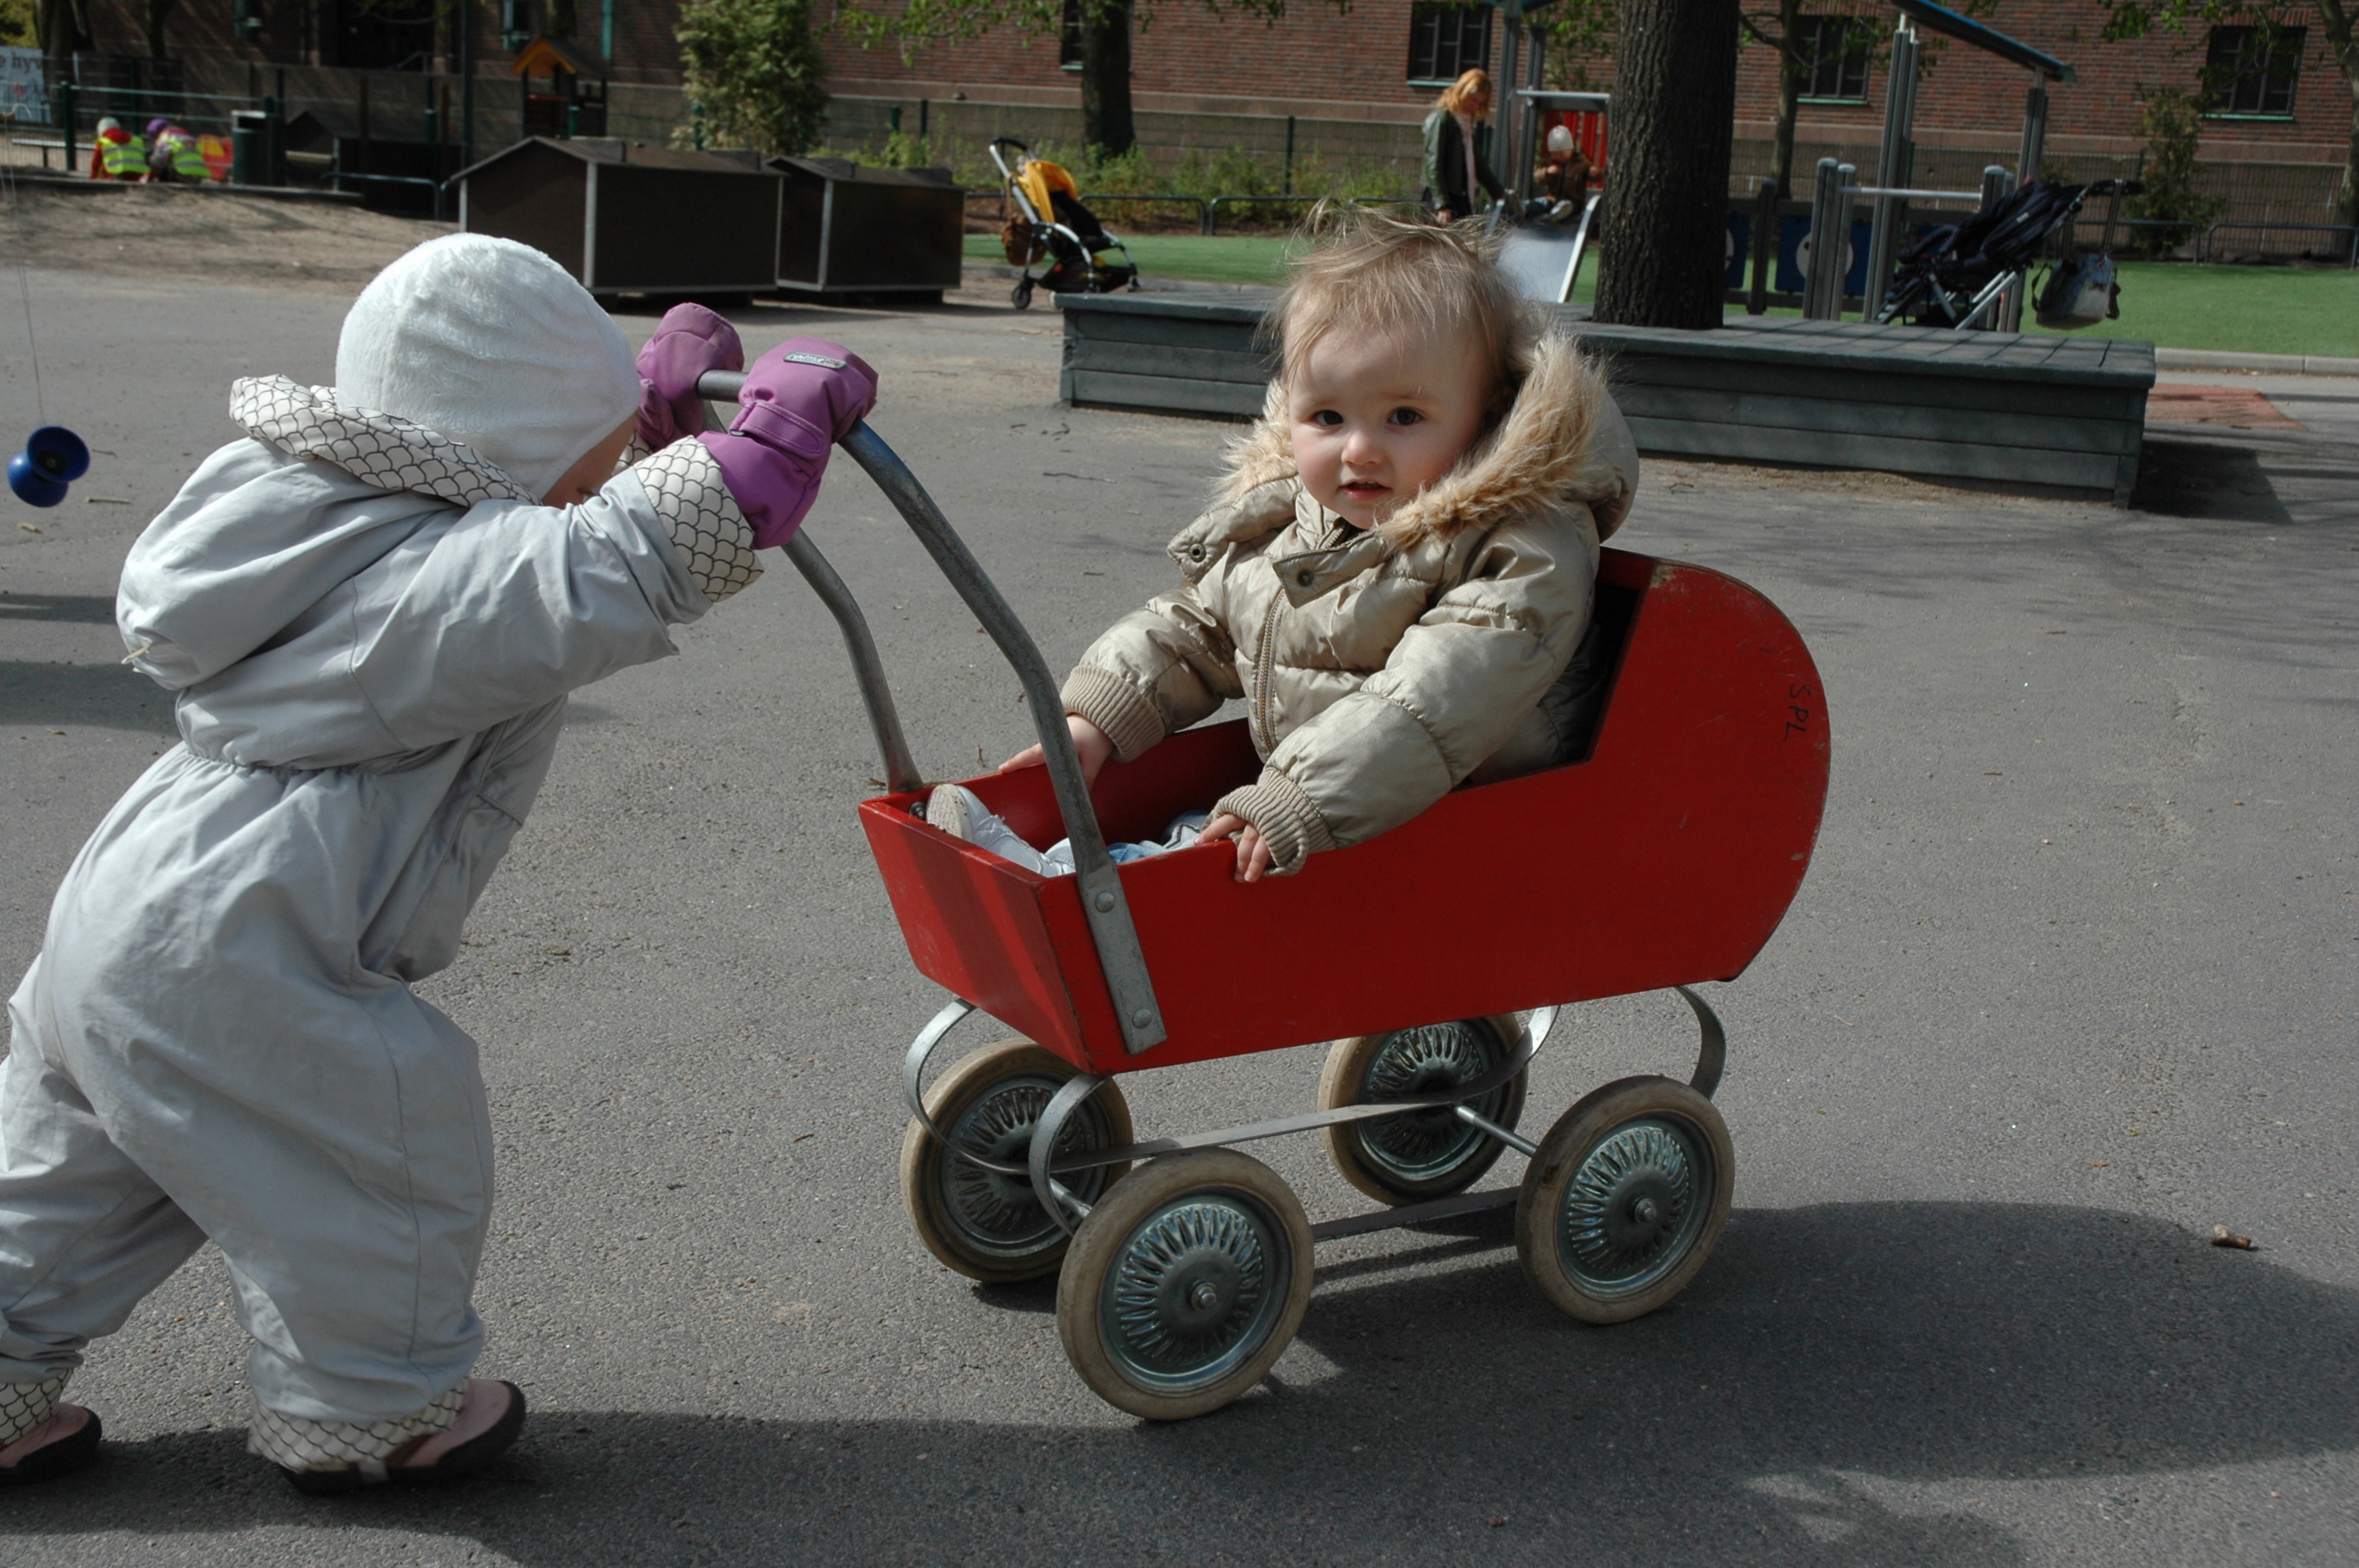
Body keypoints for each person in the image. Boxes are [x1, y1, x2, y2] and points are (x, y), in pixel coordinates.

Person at [0, 234, 876, 1490]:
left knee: (81, 1171)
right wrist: (745, 472)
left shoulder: (334, 525)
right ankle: (370, 1411)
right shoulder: (432, 599)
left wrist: (646, 432)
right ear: (503, 450)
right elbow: (574, 570)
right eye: (587, 462)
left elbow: (534, 520)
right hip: (240, 950)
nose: (592, 487)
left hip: (131, 908)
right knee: (372, 1157)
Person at [926, 208, 1636, 884]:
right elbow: (1201, 624)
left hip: (1462, 825)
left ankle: (1079, 875)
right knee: (1209, 829)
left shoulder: (1518, 544)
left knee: (1207, 854)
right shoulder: (1302, 525)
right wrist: (1100, 713)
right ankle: (1087, 860)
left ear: (1487, 414)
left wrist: (1298, 794)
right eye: (1327, 416)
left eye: (1404, 416)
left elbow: (1432, 703)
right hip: (1342, 801)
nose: (1359, 450)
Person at [1422, 68, 1506, 226]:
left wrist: (1501, 194)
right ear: (1462, 91)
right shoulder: (1442, 119)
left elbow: (1479, 166)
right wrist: (1442, 205)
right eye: (1473, 99)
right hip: (1442, 200)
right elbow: (1433, 165)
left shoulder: (1465, 126)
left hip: (1461, 198)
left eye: (1480, 102)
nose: (1474, 105)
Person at [1532, 123, 1594, 225]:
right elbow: (1538, 176)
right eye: (1554, 154)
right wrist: (1547, 172)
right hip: (1552, 198)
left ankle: (1558, 213)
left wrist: (1593, 173)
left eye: (1562, 154)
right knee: (1543, 202)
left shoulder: (1580, 163)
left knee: (1568, 206)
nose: (1558, 157)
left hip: (1574, 200)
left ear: (1571, 150)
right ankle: (1526, 207)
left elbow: (1592, 174)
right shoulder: (1549, 162)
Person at [144, 118, 211, 183]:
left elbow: (157, 162)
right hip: (198, 177)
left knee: (163, 162)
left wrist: (148, 177)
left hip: (182, 175)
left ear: (156, 134)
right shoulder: (188, 137)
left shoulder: (165, 138)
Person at [87, 117, 149, 182]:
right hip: (138, 176)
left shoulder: (103, 143)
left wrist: (93, 180)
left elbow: (95, 165)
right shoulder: (137, 141)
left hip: (114, 176)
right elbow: (145, 159)